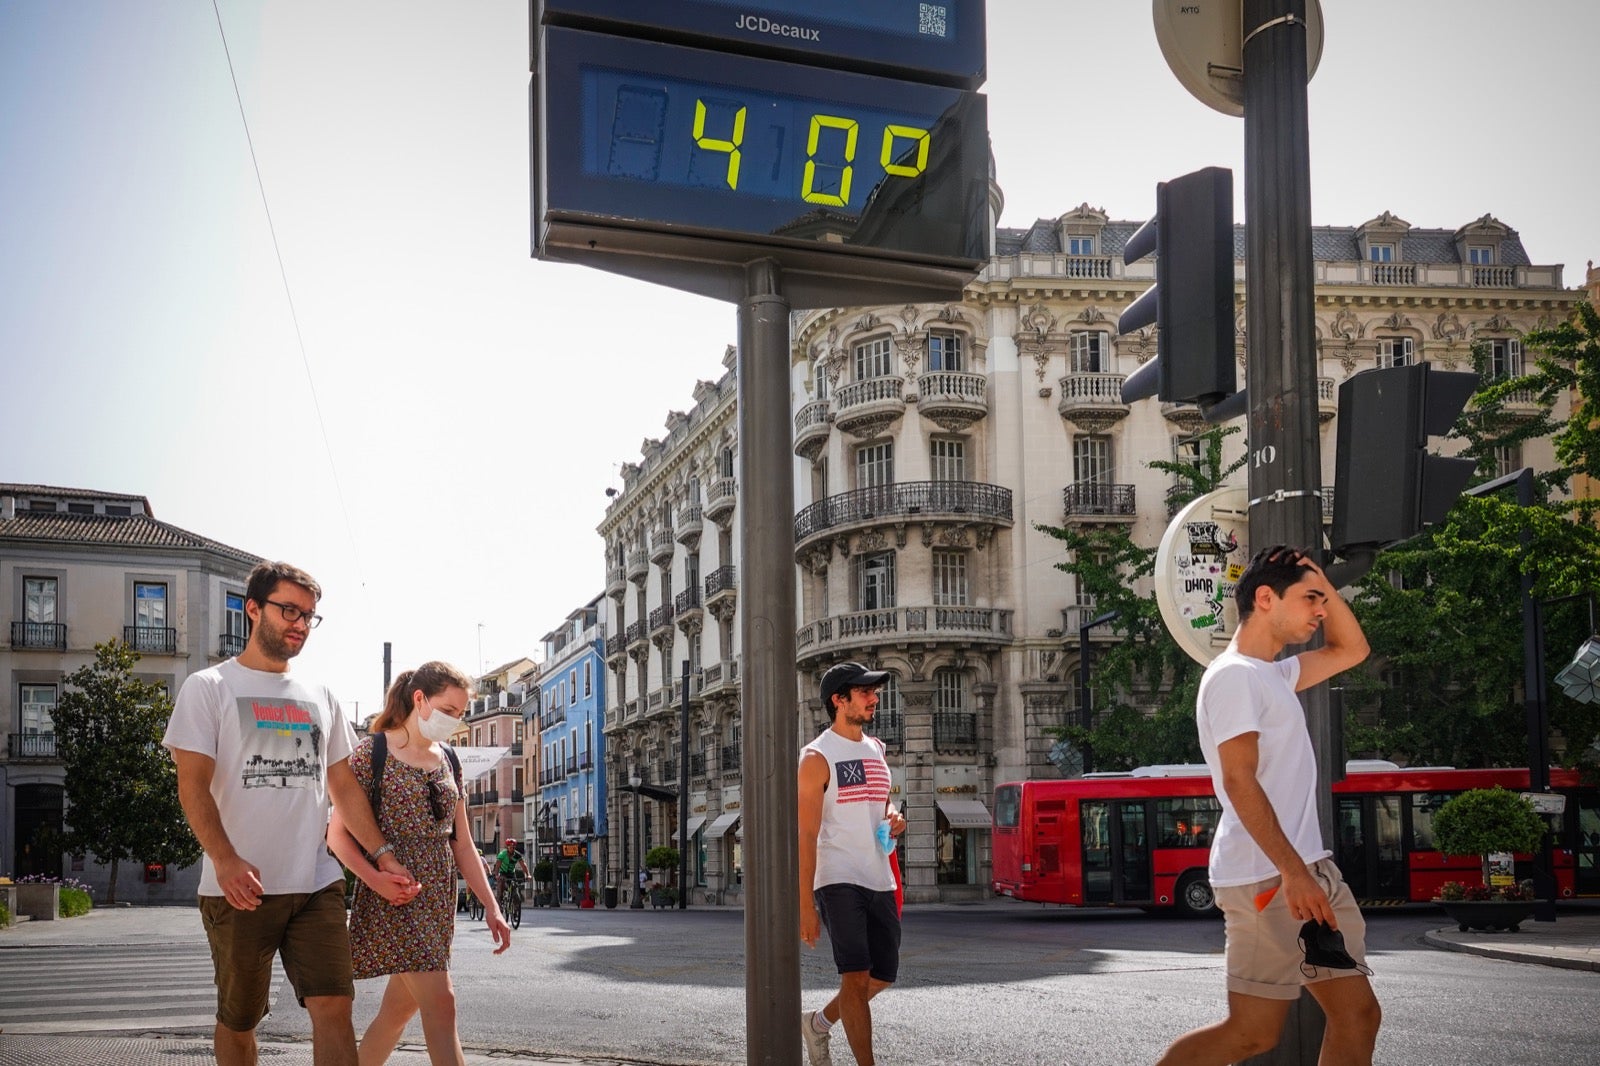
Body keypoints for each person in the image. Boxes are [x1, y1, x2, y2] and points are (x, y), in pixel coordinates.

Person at [165, 561, 418, 1066]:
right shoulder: (208, 687)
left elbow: (343, 787)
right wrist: (226, 859)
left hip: (316, 882)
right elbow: (191, 786)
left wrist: (382, 854)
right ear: (253, 609)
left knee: (334, 1005)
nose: (300, 623)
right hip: (240, 889)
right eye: (289, 610)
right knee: (240, 1020)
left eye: (309, 615)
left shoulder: (320, 695)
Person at [1157, 547, 1382, 1066]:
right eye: (1309, 600)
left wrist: (1319, 579)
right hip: (1268, 875)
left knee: (1359, 1015)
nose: (1320, 611)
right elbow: (1239, 782)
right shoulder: (1233, 676)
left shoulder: (1273, 675)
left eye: (1320, 601)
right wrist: (1293, 872)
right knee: (1252, 1034)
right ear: (1265, 598)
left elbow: (1353, 648)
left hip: (1308, 870)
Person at [327, 661, 510, 1066]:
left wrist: (492, 906)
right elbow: (337, 836)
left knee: (397, 1014)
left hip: (436, 902)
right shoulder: (370, 753)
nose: (454, 722)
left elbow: (462, 846)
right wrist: (376, 880)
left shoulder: (448, 760)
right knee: (442, 1005)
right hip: (395, 896)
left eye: (460, 715)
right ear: (419, 699)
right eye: (448, 710)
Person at [798, 661, 906, 1066]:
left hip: (879, 874)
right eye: (864, 693)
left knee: (883, 975)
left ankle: (818, 1023)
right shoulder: (816, 757)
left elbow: (882, 800)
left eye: (873, 692)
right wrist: (805, 905)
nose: (874, 698)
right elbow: (806, 834)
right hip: (838, 877)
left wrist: (894, 816)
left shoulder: (876, 748)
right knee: (856, 978)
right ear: (838, 700)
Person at [494, 838, 530, 904]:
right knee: (501, 887)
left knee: (515, 890)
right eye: (510, 847)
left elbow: (523, 865)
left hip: (511, 873)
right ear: (507, 847)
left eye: (513, 847)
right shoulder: (502, 854)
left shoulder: (517, 855)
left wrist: (528, 875)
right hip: (503, 873)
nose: (512, 849)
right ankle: (500, 903)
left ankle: (516, 906)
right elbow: (497, 865)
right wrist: (496, 875)